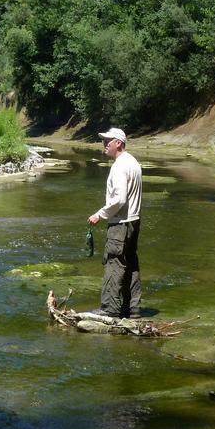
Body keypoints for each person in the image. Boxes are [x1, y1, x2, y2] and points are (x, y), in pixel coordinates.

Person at [87, 127, 143, 318]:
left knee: (114, 262)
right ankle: (132, 308)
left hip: (120, 223)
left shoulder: (119, 166)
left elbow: (119, 200)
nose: (104, 145)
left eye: (107, 142)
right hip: (134, 221)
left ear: (118, 143)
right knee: (131, 264)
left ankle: (109, 309)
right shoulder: (133, 162)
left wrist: (99, 215)